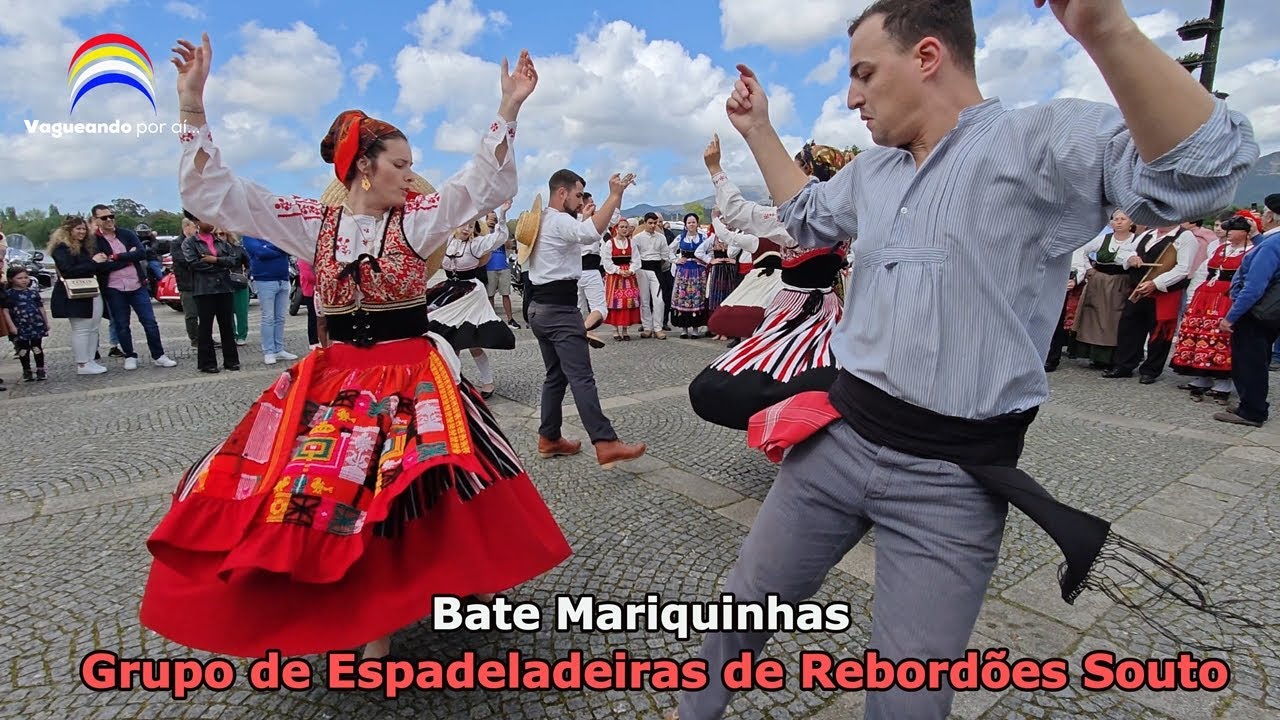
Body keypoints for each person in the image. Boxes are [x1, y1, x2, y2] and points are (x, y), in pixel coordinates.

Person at [668, 2, 1258, 719]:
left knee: (909, 700)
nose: (852, 96)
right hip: (836, 441)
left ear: (926, 57)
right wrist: (757, 130)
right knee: (740, 615)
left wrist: (1103, 28)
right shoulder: (873, 172)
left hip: (951, 484)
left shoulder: (1036, 140)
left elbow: (1201, 173)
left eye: (863, 74)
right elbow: (806, 216)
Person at [140, 32, 570, 661]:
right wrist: (192, 107)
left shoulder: (418, 218)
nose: (407, 175)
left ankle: (384, 619)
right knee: (324, 495)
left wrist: (507, 110)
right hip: (336, 379)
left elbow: (480, 185)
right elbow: (218, 196)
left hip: (410, 376)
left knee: (403, 496)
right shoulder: (313, 223)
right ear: (364, 166)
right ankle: (334, 606)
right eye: (398, 164)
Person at [523, 169, 647, 468]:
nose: (580, 201)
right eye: (578, 195)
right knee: (581, 378)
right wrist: (615, 195)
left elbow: (582, 231)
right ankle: (606, 442)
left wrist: (592, 213)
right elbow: (590, 233)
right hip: (560, 312)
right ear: (562, 193)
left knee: (557, 376)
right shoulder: (559, 220)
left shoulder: (546, 221)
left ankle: (549, 437)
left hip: (540, 308)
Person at [1216, 194, 1280, 427]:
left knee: (1249, 361)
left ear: (1271, 216)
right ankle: (1252, 403)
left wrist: (1231, 316)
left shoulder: (1272, 244)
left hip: (1256, 312)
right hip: (1271, 313)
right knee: (1258, 358)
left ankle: (1252, 411)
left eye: (1264, 214)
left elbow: (1254, 286)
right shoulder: (1271, 241)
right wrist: (1256, 235)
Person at [90, 205, 179, 370]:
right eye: (104, 218)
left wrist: (115, 257)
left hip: (137, 284)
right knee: (122, 324)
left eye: (111, 216)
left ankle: (159, 355)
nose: (109, 220)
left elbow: (140, 254)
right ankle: (130, 355)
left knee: (150, 322)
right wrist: (127, 259)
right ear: (96, 220)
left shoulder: (126, 234)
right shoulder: (95, 241)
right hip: (114, 287)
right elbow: (99, 267)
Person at [47, 215, 109, 375]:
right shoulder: (61, 248)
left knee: (93, 327)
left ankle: (90, 359)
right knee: (81, 328)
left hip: (91, 290)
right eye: (78, 229)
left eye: (83, 229)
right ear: (68, 230)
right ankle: (82, 363)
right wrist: (94, 262)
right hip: (75, 293)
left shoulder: (84, 247)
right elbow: (68, 270)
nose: (82, 232)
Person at [182, 220, 243, 373]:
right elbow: (194, 263)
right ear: (197, 222)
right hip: (204, 289)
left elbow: (233, 260)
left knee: (227, 325)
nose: (210, 223)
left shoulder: (220, 241)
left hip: (224, 287)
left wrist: (215, 260)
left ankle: (231, 360)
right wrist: (220, 266)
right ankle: (207, 362)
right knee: (205, 326)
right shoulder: (190, 243)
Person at [242, 234, 298, 364]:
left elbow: (288, 247)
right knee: (268, 317)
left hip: (283, 278)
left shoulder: (273, 230)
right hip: (264, 279)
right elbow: (260, 252)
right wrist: (279, 247)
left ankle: (279, 349)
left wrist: (272, 247)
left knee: (280, 317)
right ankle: (269, 351)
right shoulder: (249, 234)